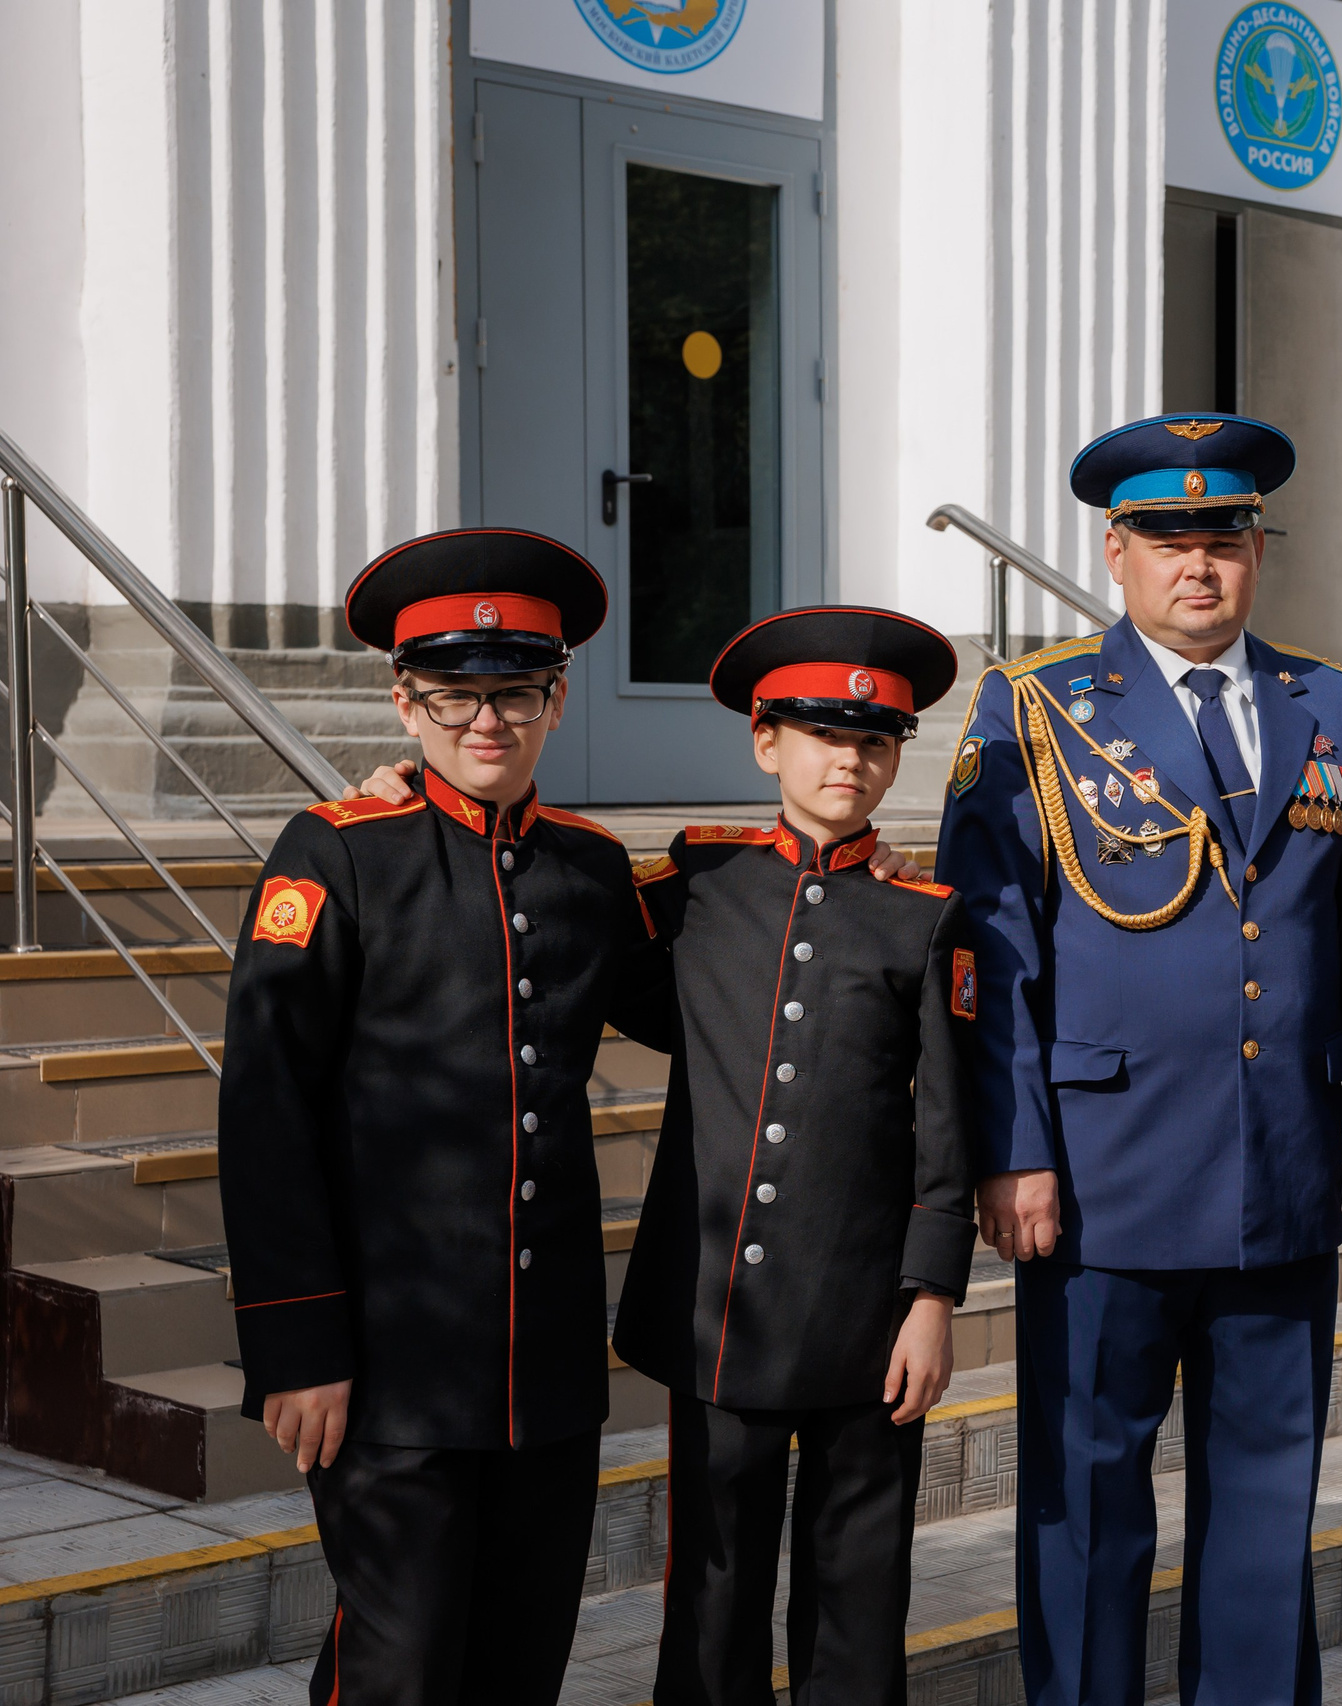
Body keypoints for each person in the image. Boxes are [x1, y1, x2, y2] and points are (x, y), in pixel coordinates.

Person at [936, 412, 1342, 1706]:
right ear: (1117, 551)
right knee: (1088, 1506)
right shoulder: (1038, 708)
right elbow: (994, 952)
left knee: (1266, 1504)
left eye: (1224, 536)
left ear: (1258, 550)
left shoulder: (1336, 707)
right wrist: (1015, 1147)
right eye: (1166, 539)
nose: (1196, 564)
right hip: (1099, 1185)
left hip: (1281, 1177)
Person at [218, 528, 677, 1705]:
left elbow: (709, 999)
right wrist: (297, 1342)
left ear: (557, 697)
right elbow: (265, 1106)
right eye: (454, 695)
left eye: (514, 690)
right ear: (404, 702)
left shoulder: (587, 869)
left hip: (547, 1367)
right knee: (401, 1665)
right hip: (386, 1366)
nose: (487, 721)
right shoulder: (336, 853)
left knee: (520, 1660)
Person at [611, 608, 979, 1705]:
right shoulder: (695, 888)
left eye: (875, 739)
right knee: (713, 1589)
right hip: (717, 1308)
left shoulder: (923, 917)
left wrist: (931, 1295)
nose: (849, 759)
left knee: (859, 1590)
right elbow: (540, 904)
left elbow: (948, 1124)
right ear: (765, 741)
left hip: (866, 1314)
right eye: (822, 733)